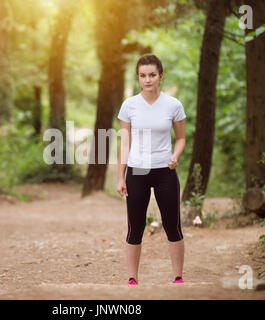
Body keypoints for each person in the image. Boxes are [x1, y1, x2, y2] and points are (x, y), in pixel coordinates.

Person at [116, 54, 186, 285]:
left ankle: (178, 276)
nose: (147, 80)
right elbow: (124, 143)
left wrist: (175, 157)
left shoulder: (173, 105)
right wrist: (120, 177)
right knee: (135, 226)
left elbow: (181, 138)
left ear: (160, 76)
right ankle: (132, 277)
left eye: (152, 75)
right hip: (137, 172)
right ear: (138, 78)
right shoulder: (129, 105)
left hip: (165, 171)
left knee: (172, 225)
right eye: (143, 76)